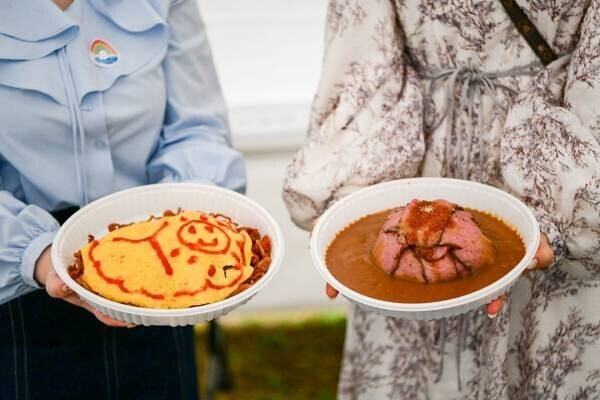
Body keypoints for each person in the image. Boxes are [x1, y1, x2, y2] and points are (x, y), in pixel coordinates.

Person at [283, 1, 600, 398]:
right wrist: (349, 191)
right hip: (417, 168)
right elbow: (362, 55)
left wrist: (570, 209)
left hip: (555, 160)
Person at [0, 0, 245, 399]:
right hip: (21, 301)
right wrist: (40, 256)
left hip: (163, 276)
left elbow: (198, 127)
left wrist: (187, 235)